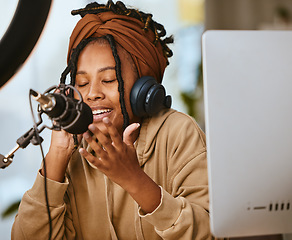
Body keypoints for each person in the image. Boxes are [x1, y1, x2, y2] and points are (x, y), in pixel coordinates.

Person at [12, 1, 215, 239]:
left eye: (108, 80)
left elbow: (210, 233)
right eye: (82, 83)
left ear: (143, 88)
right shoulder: (73, 151)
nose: (92, 93)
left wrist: (134, 179)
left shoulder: (178, 132)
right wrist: (56, 156)